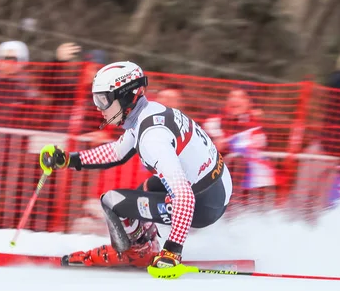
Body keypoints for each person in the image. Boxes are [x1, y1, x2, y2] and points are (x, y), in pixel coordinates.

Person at [39, 61, 232, 272]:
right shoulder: (148, 113)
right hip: (215, 185)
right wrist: (69, 159)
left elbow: (184, 196)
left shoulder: (152, 138)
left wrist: (172, 252)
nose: (98, 107)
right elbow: (116, 152)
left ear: (125, 96)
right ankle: (143, 245)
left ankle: (136, 252)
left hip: (203, 203)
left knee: (112, 201)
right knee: (145, 190)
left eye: (103, 100)